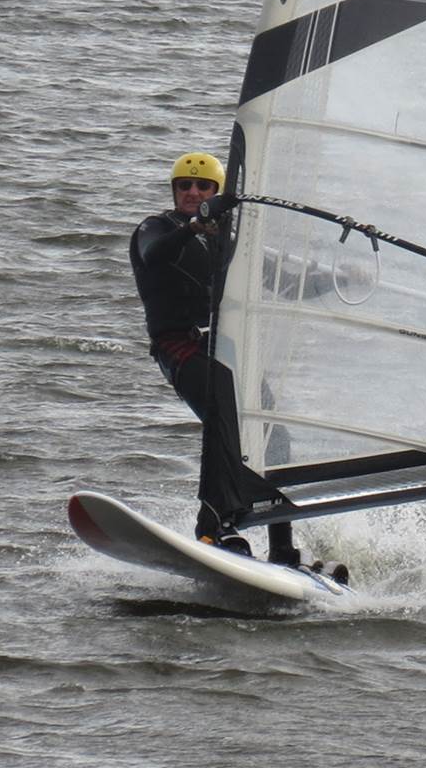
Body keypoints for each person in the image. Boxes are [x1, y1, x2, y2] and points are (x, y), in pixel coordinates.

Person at [129, 152, 305, 568]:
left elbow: (285, 280)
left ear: (216, 191)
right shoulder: (155, 229)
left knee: (273, 436)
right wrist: (194, 226)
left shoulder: (228, 244)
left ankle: (282, 545)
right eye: (185, 186)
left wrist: (345, 279)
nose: (193, 192)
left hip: (226, 349)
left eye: (203, 187)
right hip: (180, 347)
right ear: (174, 191)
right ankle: (213, 527)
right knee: (223, 420)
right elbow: (155, 255)